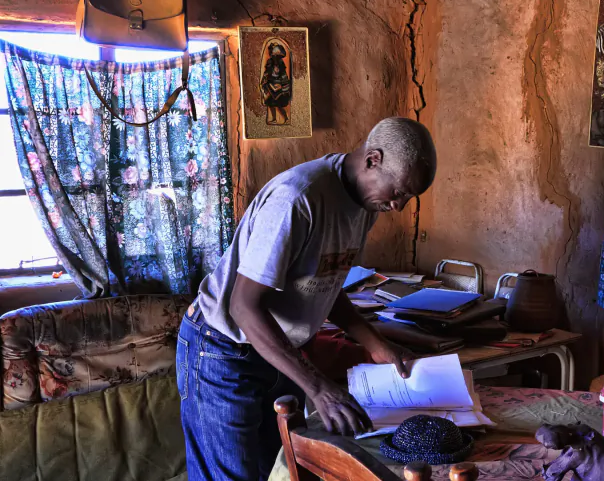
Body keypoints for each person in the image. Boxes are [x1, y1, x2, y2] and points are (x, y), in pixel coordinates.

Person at [177, 117, 437, 480]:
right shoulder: (297, 199)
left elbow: (326, 283)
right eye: (398, 192)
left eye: (408, 197)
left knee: (282, 472)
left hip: (276, 351)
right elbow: (243, 306)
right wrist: (318, 387)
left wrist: (375, 343)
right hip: (223, 350)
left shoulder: (364, 204)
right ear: (372, 159)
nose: (399, 206)